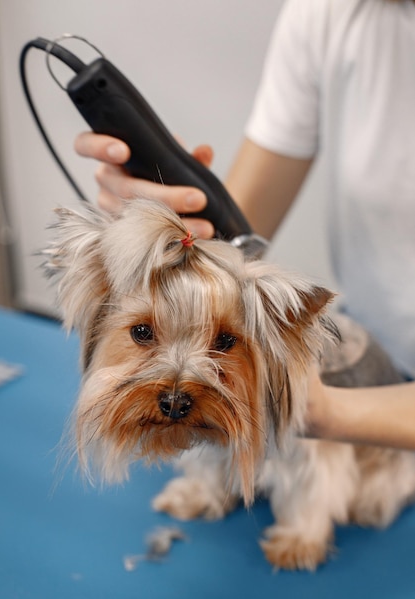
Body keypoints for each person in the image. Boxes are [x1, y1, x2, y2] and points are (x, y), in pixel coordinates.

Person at [74, 0, 415, 448]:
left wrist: (316, 409)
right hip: (370, 344)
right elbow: (231, 241)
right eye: (143, 334)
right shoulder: (329, 11)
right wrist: (159, 210)